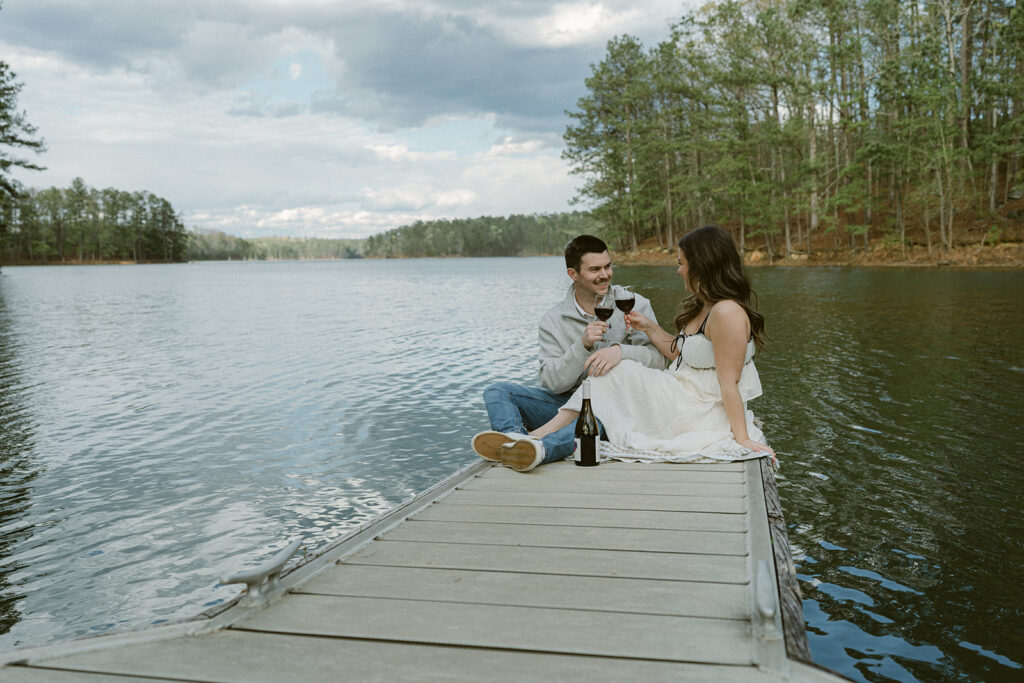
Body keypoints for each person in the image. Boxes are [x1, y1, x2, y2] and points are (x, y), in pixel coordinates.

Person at [528, 225, 776, 465]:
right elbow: (679, 353)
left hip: (699, 406)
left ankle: (539, 439)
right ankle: (538, 438)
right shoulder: (707, 305)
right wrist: (649, 328)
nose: (678, 270)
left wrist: (742, 438)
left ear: (701, 266)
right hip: (681, 393)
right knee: (611, 375)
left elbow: (728, 382)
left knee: (617, 371)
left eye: (681, 263)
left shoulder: (727, 312)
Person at [472, 234, 667, 471]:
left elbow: (659, 361)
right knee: (497, 391)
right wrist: (582, 346)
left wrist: (620, 351)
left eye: (608, 266)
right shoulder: (553, 320)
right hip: (564, 404)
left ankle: (542, 448)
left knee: (599, 419)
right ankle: (514, 442)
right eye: (594, 269)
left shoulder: (633, 304)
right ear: (573, 274)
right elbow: (552, 383)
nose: (605, 275)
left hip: (616, 404)